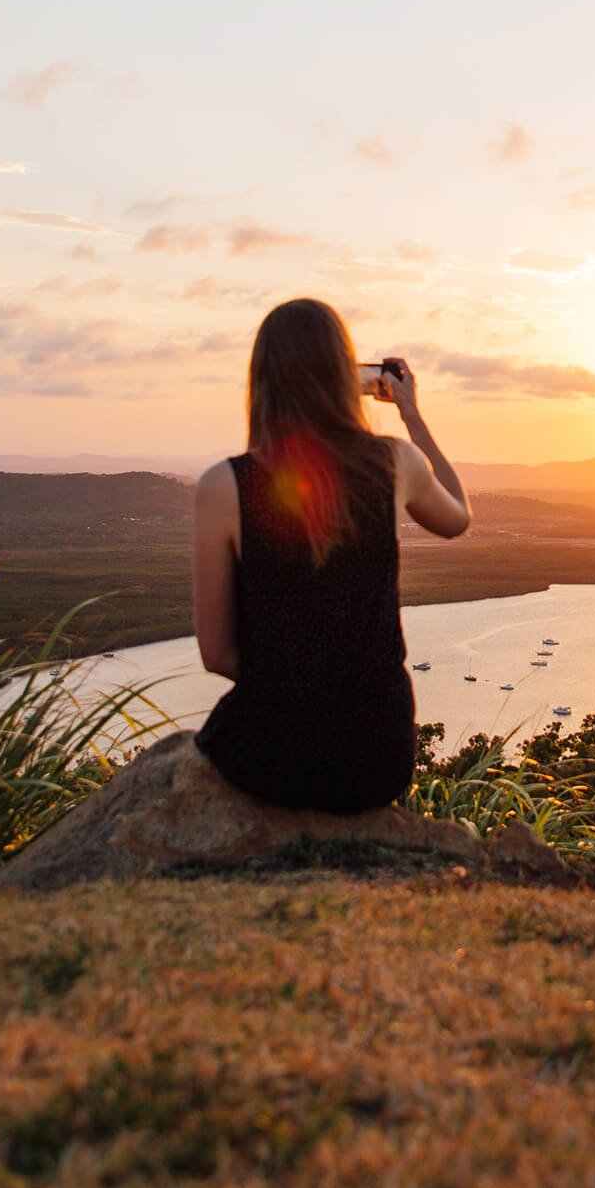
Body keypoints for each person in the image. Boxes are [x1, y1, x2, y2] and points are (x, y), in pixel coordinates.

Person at [189, 297, 470, 812]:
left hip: (268, 754)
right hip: (376, 756)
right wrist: (412, 413)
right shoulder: (395, 462)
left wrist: (292, 685)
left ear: (263, 380)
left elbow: (217, 655)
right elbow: (458, 517)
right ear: (347, 375)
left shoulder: (223, 485)